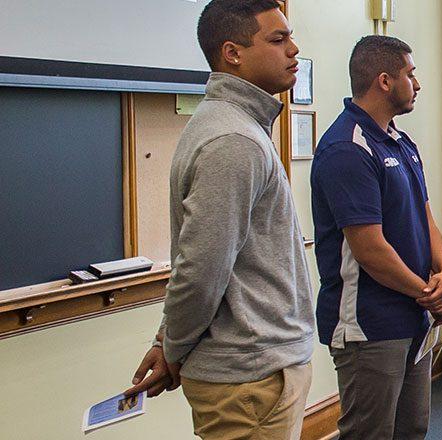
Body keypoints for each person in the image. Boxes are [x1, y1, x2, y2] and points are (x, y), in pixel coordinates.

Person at [122, 1, 316, 438]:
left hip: (254, 370)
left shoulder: (236, 127)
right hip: (249, 379)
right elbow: (202, 270)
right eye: (278, 39)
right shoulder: (233, 140)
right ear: (232, 53)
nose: (294, 50)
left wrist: (167, 341)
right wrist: (170, 347)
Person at [310, 35, 442, 439]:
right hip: (369, 323)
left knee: (412, 429)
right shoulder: (346, 148)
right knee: (370, 434)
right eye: (411, 74)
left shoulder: (401, 142)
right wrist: (427, 291)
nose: (418, 84)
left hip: (413, 315)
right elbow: (369, 249)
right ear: (385, 81)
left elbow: (426, 220)